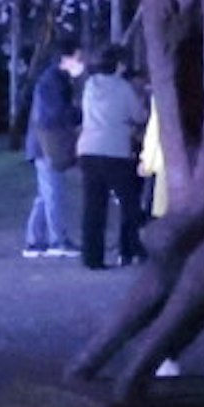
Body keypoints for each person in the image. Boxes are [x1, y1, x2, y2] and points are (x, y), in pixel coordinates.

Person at [75, 46, 148, 271]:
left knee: (93, 206)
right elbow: (139, 115)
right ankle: (138, 248)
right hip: (114, 151)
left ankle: (92, 257)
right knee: (130, 203)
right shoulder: (122, 88)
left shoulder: (89, 85)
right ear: (118, 64)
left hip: (88, 149)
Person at [23, 51, 85, 258]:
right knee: (53, 193)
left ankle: (35, 241)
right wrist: (81, 114)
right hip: (47, 145)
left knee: (46, 194)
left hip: (42, 144)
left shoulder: (53, 80)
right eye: (78, 57)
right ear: (65, 58)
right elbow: (56, 113)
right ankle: (57, 241)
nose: (81, 62)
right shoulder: (52, 82)